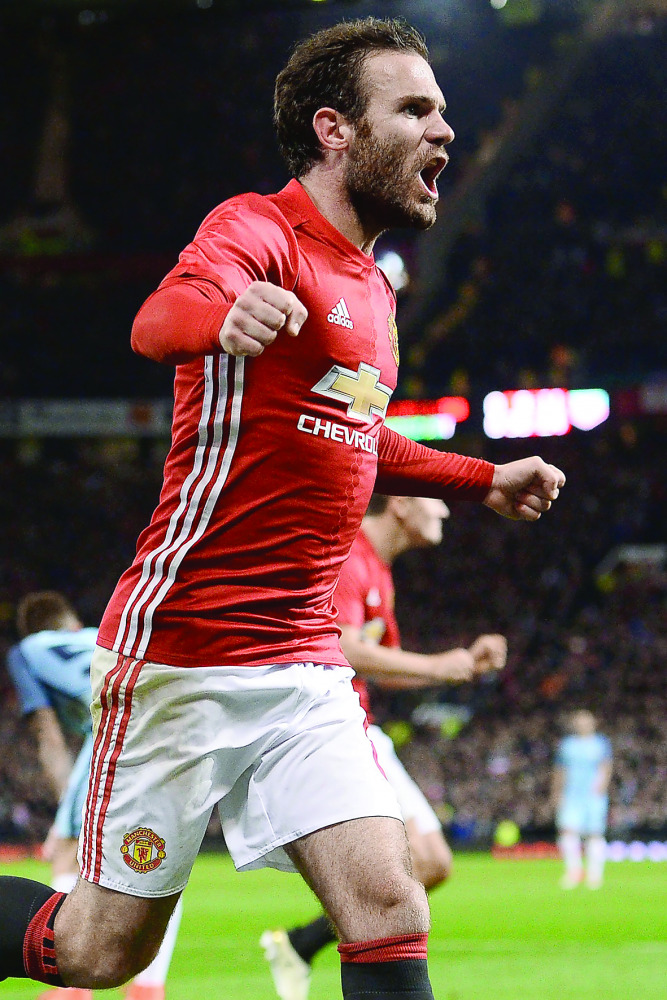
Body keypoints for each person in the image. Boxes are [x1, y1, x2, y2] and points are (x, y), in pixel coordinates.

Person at [0, 18, 565, 1000]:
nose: (444, 130)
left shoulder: (373, 291)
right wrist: (224, 316)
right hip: (187, 649)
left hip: (304, 661)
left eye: (443, 110)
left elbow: (356, 438)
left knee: (389, 903)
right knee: (99, 952)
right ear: (335, 128)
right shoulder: (256, 230)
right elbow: (158, 319)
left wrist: (484, 478)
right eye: (416, 109)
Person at [261, 494, 507, 1000]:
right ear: (399, 503)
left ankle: (300, 944)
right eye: (434, 500)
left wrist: (465, 665)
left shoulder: (379, 570)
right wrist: (440, 665)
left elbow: (381, 663)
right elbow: (346, 646)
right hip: (334, 728)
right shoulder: (349, 557)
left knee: (433, 863)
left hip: (361, 723)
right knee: (408, 872)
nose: (443, 512)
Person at [5, 592, 182, 1000]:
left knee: (67, 848)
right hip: (177, 724)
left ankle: (74, 988)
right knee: (157, 860)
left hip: (120, 730)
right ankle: (149, 988)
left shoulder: (27, 651)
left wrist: (67, 803)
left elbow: (48, 734)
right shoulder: (105, 634)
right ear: (70, 623)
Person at [551, 709, 612, 890]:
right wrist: (556, 792)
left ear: (593, 723)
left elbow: (606, 766)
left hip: (593, 795)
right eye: (579, 721)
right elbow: (560, 770)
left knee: (594, 833)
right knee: (568, 832)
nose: (582, 724)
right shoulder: (567, 744)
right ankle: (574, 872)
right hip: (571, 795)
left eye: (586, 721)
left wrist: (601, 787)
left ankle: (594, 875)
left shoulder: (601, 743)